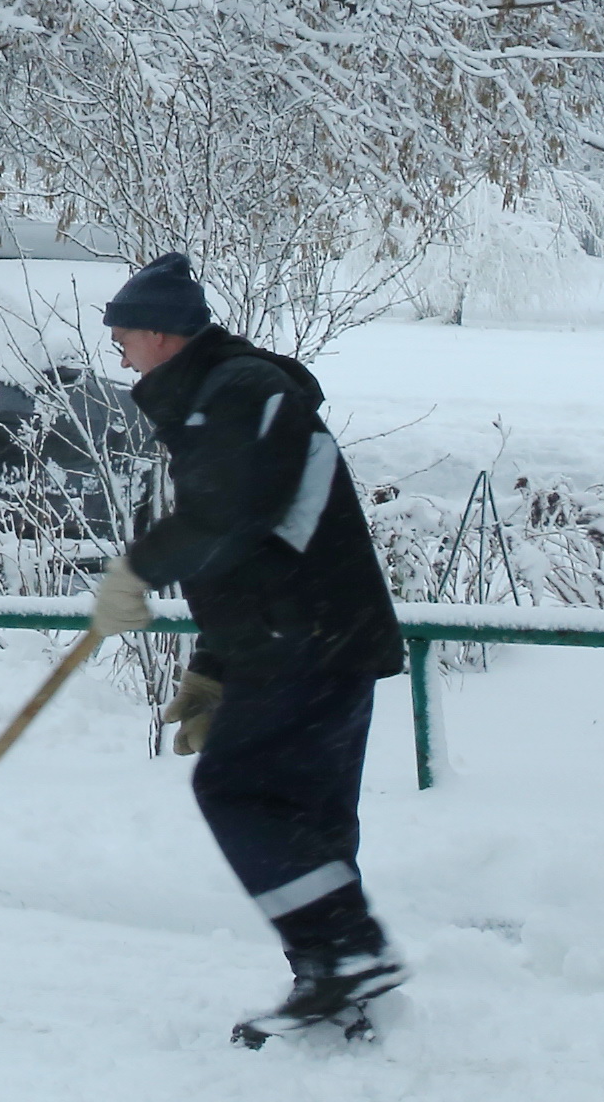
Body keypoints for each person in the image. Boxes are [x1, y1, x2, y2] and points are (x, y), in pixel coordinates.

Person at [81, 251, 409, 1037]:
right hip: (306, 634)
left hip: (307, 639)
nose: (118, 352)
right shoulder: (224, 396)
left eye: (122, 335)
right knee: (309, 815)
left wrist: (137, 570)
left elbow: (227, 515)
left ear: (162, 334)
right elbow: (255, 549)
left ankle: (344, 957)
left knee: (234, 791)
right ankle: (334, 981)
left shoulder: (242, 393)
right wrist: (213, 667)